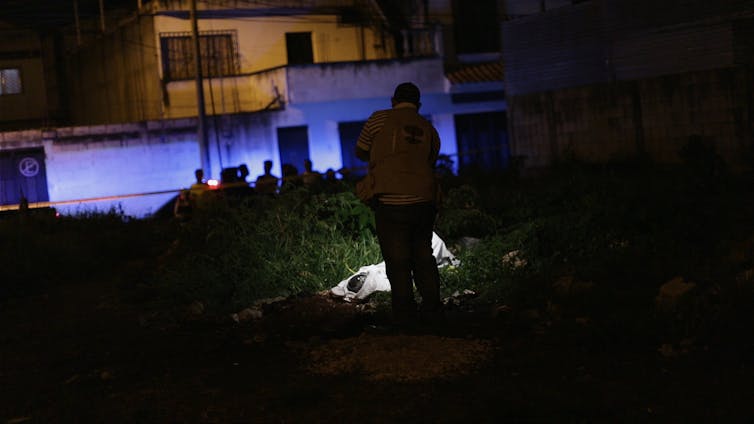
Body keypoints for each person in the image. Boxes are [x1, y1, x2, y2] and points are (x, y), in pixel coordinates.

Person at [355, 82, 443, 330]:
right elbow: (431, 160)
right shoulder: (429, 129)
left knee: (397, 260)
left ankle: (405, 316)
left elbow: (360, 151)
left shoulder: (378, 120)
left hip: (390, 199)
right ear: (419, 105)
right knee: (423, 256)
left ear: (393, 100)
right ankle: (433, 312)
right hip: (424, 201)